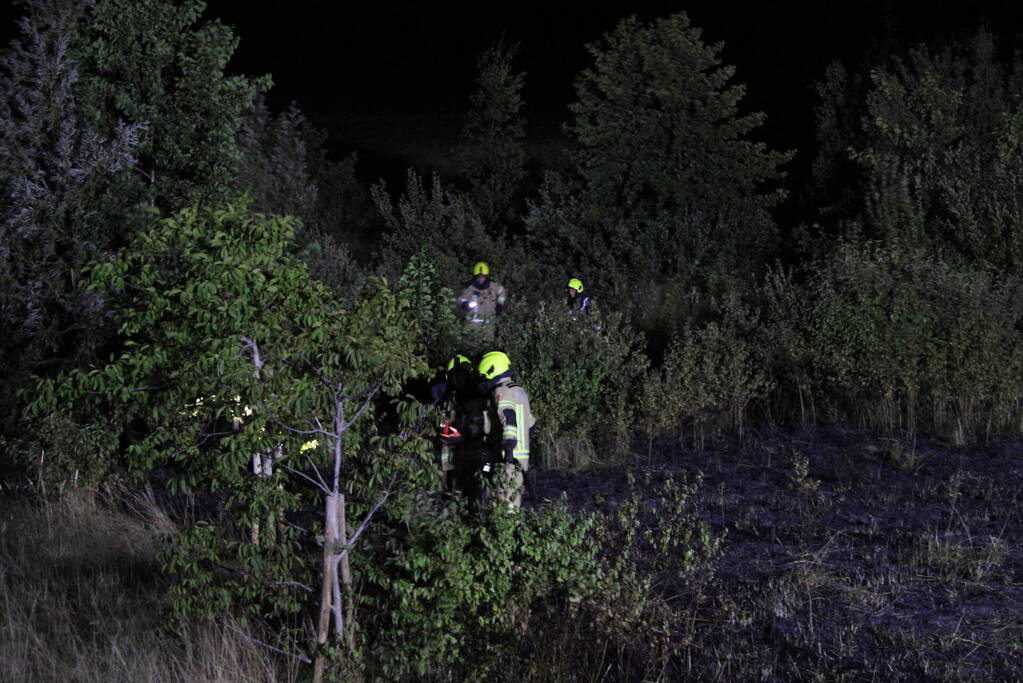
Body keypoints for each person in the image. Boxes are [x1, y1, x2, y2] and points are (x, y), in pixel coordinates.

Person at [477, 350, 535, 512]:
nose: (485, 381)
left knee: (502, 507)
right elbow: (531, 424)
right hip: (520, 461)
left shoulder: (501, 391)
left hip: (506, 461)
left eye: (484, 376)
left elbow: (508, 417)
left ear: (492, 370)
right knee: (512, 504)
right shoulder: (519, 391)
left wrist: (508, 449)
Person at [434, 354, 487, 505]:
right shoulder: (449, 398)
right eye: (454, 376)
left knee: (471, 495)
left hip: (471, 458)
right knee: (449, 497)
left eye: (460, 375)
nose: (457, 380)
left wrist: (463, 435)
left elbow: (483, 425)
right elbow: (442, 421)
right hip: (449, 460)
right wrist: (442, 430)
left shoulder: (478, 398)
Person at [457, 262, 507, 343]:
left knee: (488, 344)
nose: (480, 279)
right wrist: (464, 304)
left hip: (489, 324)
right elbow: (460, 299)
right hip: (472, 324)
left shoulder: (493, 286)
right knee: (469, 344)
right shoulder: (469, 287)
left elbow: (502, 291)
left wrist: (500, 304)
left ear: (486, 276)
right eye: (478, 277)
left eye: (483, 277)